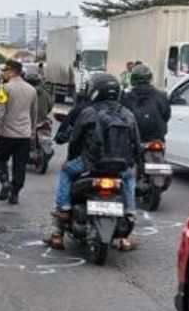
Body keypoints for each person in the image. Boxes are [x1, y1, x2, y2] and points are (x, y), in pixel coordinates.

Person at [48, 73, 141, 249]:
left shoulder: (88, 112)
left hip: (91, 164)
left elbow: (75, 141)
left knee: (66, 171)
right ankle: (129, 211)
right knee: (129, 177)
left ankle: (64, 209)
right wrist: (133, 161)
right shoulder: (127, 114)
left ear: (95, 91)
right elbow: (136, 142)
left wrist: (72, 159)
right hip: (119, 167)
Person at [0, 60, 38, 205]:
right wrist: (32, 131)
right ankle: (15, 193)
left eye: (5, 70)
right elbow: (33, 113)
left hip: (6, 134)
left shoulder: (3, 88)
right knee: (20, 165)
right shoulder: (31, 90)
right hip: (24, 135)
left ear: (12, 71)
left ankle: (4, 182)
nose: (3, 73)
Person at [121, 63, 170, 143]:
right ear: (150, 78)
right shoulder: (161, 95)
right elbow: (166, 115)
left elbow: (122, 116)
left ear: (133, 79)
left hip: (134, 139)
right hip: (157, 137)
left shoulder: (126, 97)